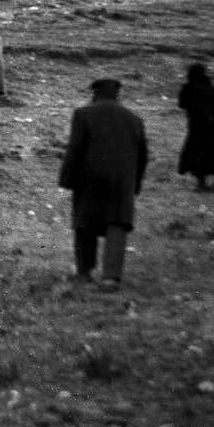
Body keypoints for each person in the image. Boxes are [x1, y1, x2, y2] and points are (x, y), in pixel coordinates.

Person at [58, 78, 149, 291]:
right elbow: (143, 156)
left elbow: (75, 149)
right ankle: (111, 277)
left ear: (95, 93)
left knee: (84, 224)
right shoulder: (134, 119)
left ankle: (86, 272)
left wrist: (66, 180)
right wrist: (135, 184)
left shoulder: (83, 114)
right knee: (117, 224)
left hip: (90, 178)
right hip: (122, 181)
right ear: (117, 95)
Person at [177, 62, 214, 190]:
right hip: (211, 125)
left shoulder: (189, 86)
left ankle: (201, 182)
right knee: (209, 153)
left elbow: (181, 104)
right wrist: (213, 116)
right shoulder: (210, 87)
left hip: (196, 126)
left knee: (195, 152)